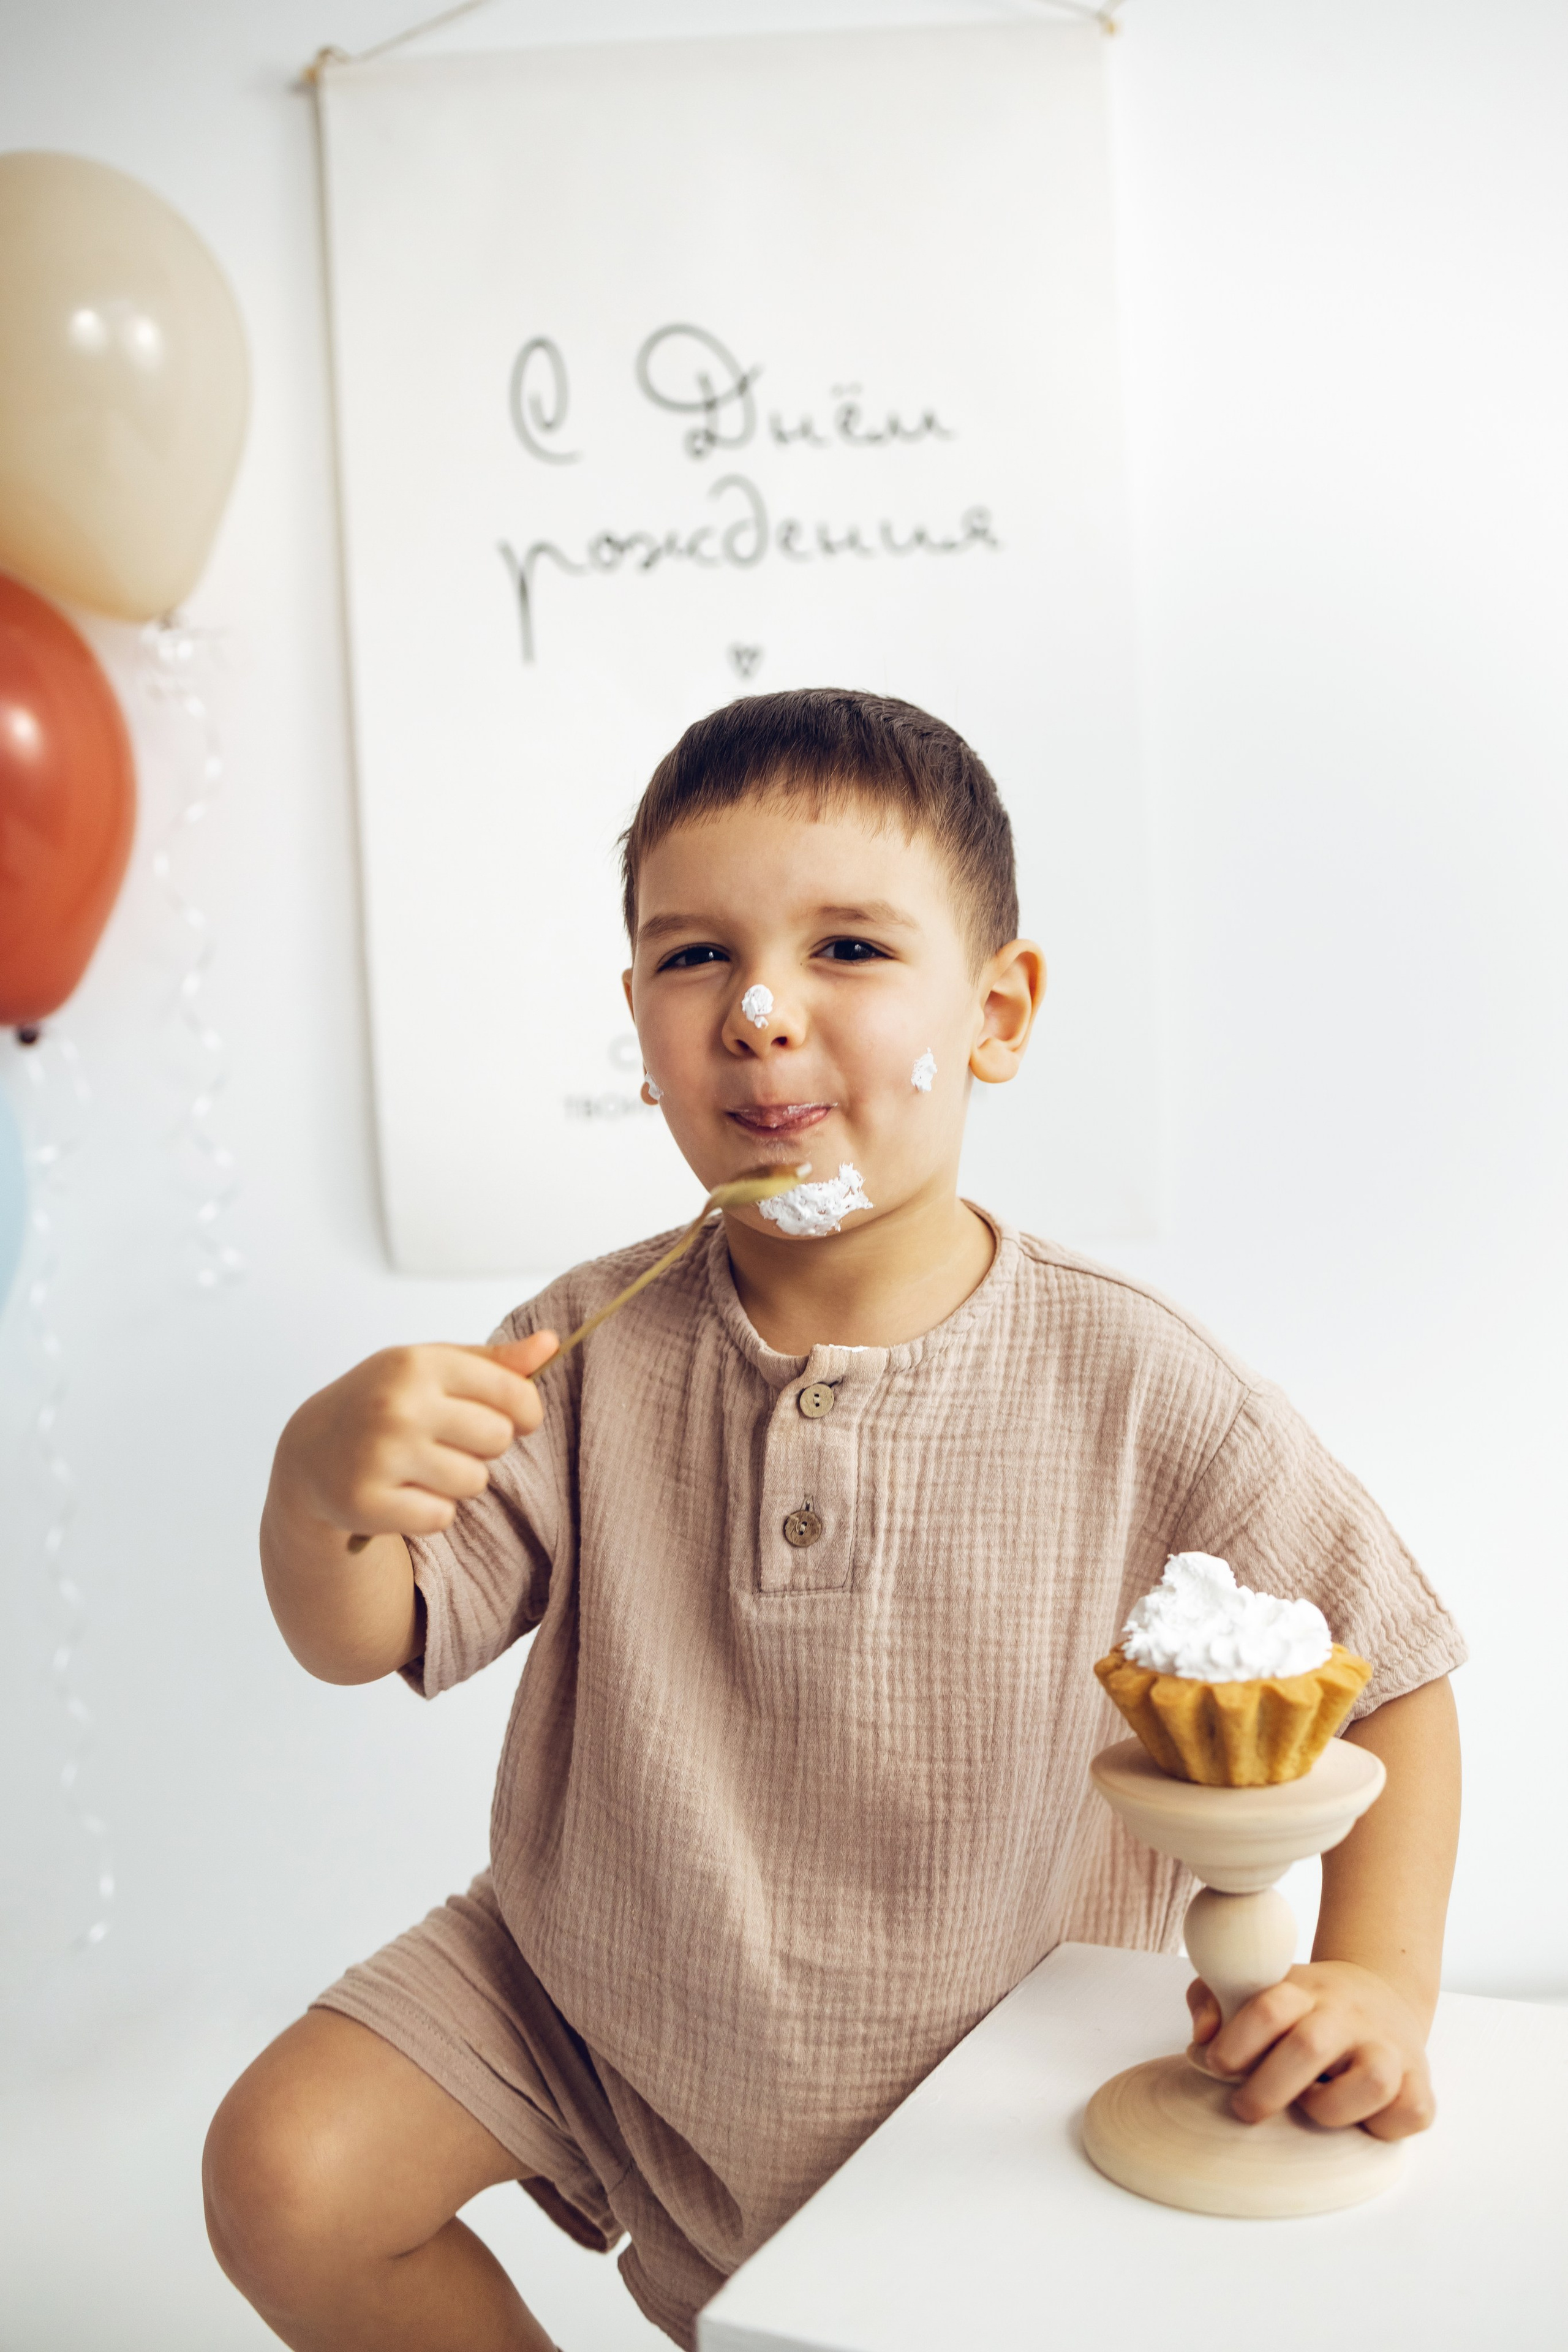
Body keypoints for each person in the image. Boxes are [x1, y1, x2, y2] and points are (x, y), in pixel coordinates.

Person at [204, 690, 1464, 2352]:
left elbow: (1399, 1675)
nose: (761, 1010)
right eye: (693, 957)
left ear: (998, 1011)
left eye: (852, 951)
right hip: (588, 1991)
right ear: (639, 1017)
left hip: (982, 2065)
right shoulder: (582, 1345)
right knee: (288, 2173)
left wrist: (1377, 1982)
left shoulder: (1136, 1377)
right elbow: (361, 1634)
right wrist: (321, 1492)